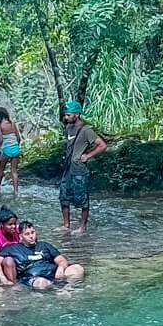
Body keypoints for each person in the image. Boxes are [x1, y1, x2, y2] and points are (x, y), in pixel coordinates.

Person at [59, 100, 108, 235]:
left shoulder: (87, 130)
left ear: (77, 114)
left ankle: (82, 227)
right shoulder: (69, 128)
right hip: (68, 168)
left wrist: (88, 156)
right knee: (63, 195)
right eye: (66, 115)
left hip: (80, 169)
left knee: (82, 197)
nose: (66, 117)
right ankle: (66, 225)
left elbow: (102, 145)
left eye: (69, 115)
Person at [0, 220, 84, 290]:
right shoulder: (12, 248)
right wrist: (4, 280)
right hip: (33, 278)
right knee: (41, 282)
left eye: (32, 232)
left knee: (77, 268)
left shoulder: (44, 245)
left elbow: (62, 260)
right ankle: (57, 290)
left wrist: (61, 268)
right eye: (27, 234)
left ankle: (67, 288)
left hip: (54, 274)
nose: (31, 236)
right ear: (21, 236)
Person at [0, 106, 23, 198]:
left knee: (0, 169)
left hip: (6, 150)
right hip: (15, 149)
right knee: (14, 171)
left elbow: (0, 140)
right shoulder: (13, 123)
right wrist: (16, 147)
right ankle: (16, 191)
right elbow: (18, 138)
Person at [0, 208, 22, 283]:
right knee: (8, 261)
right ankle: (12, 285)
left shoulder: (20, 230)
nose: (13, 227)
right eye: (10, 225)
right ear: (2, 225)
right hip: (5, 265)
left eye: (15, 224)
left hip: (20, 261)